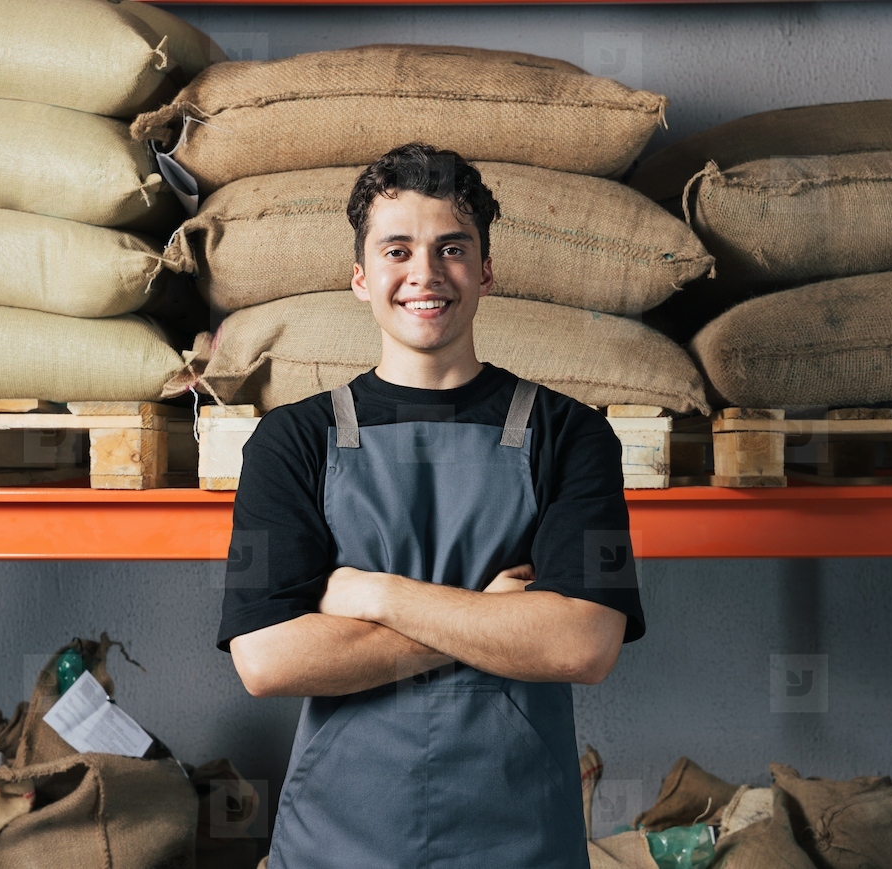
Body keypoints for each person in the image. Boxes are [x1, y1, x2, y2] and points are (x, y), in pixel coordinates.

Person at [218, 142, 646, 868]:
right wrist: (492, 615)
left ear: (484, 271)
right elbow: (267, 658)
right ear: (360, 277)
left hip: (520, 845)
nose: (425, 273)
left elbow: (583, 645)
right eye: (397, 250)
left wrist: (374, 594)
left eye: (451, 248)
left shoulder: (571, 435)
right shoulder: (292, 441)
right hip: (335, 844)